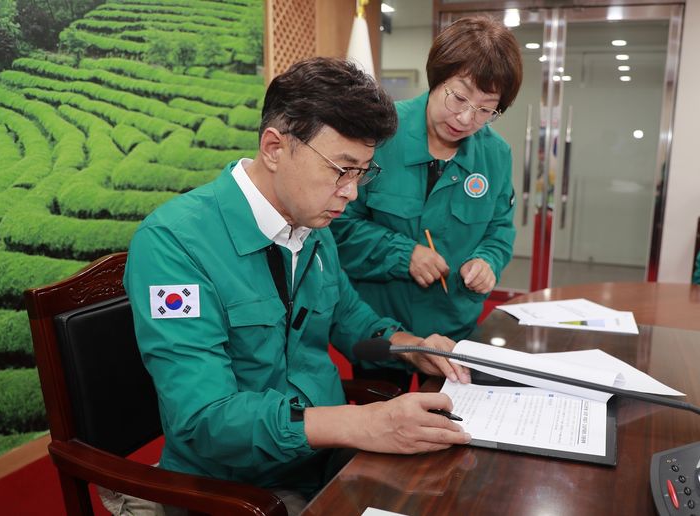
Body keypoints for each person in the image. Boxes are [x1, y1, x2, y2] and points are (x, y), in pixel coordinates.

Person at [123, 57, 472, 514]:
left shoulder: (313, 227)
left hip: (324, 462)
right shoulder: (175, 245)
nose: (352, 192)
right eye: (341, 169)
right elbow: (206, 421)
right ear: (274, 147)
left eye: (364, 171)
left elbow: (350, 318)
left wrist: (410, 345)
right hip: (236, 490)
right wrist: (361, 424)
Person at [330, 16, 523, 386]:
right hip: (382, 328)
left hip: (455, 331)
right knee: (382, 432)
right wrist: (403, 254)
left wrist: (488, 261)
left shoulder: (496, 155)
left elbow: (499, 229)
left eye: (486, 109)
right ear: (438, 78)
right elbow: (335, 226)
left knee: (447, 429)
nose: (467, 118)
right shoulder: (378, 133)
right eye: (459, 97)